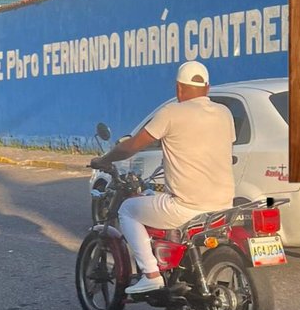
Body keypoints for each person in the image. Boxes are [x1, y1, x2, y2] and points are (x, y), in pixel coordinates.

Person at [90, 60, 235, 293]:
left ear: (178, 88)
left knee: (128, 209)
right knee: (152, 200)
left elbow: (131, 147)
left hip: (186, 206)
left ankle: (151, 274)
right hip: (223, 205)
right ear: (207, 88)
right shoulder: (224, 113)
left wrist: (104, 160)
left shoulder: (171, 112)